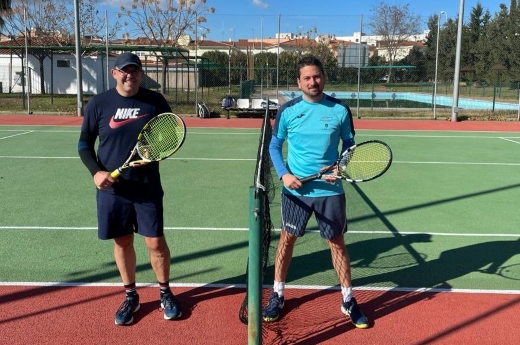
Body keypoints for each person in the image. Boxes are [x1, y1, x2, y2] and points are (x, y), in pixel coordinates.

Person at [265, 56, 368, 328]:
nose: (313, 82)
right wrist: (285, 174)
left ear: (324, 78)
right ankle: (278, 294)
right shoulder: (288, 111)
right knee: (286, 241)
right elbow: (274, 147)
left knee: (336, 243)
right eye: (307, 78)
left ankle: (348, 299)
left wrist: (341, 166)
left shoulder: (340, 110)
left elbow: (349, 145)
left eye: (317, 76)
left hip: (330, 191)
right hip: (295, 193)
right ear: (298, 82)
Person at [78, 52, 181, 325]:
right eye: (125, 71)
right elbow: (84, 144)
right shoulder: (99, 104)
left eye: (135, 71)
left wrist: (151, 152)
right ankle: (131, 294)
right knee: (122, 241)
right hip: (113, 190)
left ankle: (165, 292)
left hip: (146, 187)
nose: (130, 75)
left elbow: (169, 135)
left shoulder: (155, 101)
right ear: (114, 73)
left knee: (155, 243)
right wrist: (96, 172)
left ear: (140, 74)